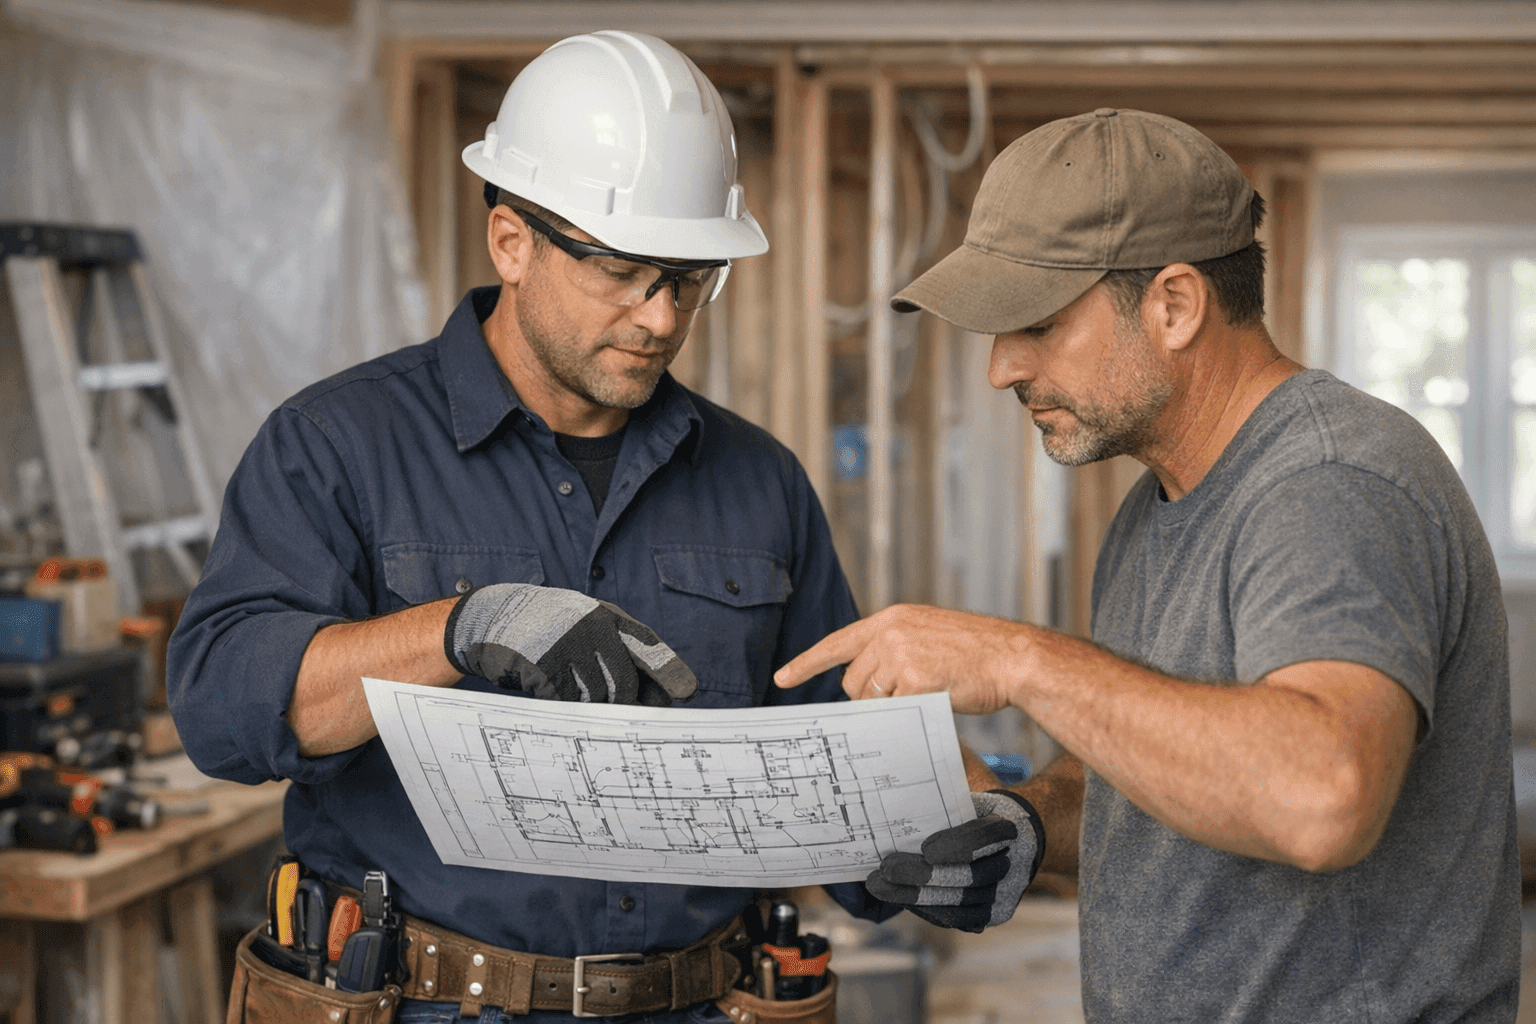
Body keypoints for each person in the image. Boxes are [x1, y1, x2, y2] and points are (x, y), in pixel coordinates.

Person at [169, 31, 892, 1023]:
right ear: (512, 241)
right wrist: (460, 629)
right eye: (627, 271)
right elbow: (221, 708)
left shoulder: (759, 481)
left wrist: (934, 844)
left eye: (689, 279)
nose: (661, 316)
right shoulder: (337, 444)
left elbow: (837, 774)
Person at [776, 108, 1520, 1022]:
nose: (1001, 368)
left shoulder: (1330, 482)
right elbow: (1164, 769)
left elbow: (1321, 798)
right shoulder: (1152, 510)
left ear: (1174, 304)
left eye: (1037, 324)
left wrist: (1020, 660)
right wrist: (1028, 818)